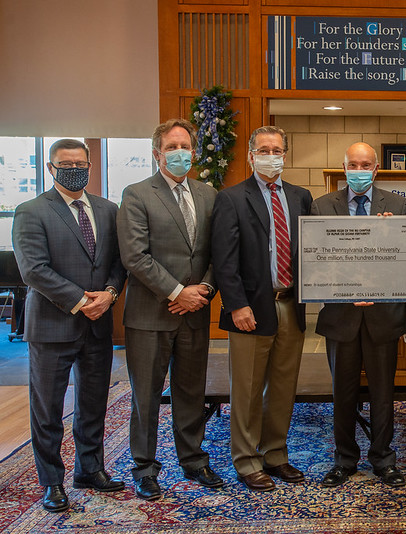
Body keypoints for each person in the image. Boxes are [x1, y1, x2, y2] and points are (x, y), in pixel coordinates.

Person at [12, 139, 127, 513]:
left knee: (93, 403)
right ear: (50, 168)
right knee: (47, 408)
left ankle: (90, 469)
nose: (74, 168)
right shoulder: (31, 211)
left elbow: (118, 263)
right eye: (65, 163)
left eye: (80, 162)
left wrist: (109, 293)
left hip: (98, 324)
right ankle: (51, 482)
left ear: (90, 165)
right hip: (52, 325)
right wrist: (82, 301)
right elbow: (34, 270)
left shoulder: (109, 210)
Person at [117, 118, 222, 500]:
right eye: (172, 146)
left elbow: (217, 251)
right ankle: (145, 467)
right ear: (157, 153)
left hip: (195, 310)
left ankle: (193, 459)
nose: (180, 152)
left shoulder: (209, 194)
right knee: (145, 395)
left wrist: (204, 289)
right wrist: (177, 291)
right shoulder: (137, 194)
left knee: (191, 391)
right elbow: (135, 256)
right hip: (150, 315)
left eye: (185, 146)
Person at [211, 125, 312, 492]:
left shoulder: (301, 197)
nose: (272, 155)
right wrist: (236, 305)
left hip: (290, 305)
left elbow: (316, 248)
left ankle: (275, 454)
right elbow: (224, 260)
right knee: (248, 389)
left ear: (286, 154)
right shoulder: (232, 198)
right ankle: (246, 459)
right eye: (264, 149)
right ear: (251, 156)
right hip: (250, 308)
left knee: (283, 388)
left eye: (278, 149)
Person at [311, 142, 406, 488]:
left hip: (383, 313)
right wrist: (347, 289)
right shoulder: (322, 206)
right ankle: (344, 460)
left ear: (376, 168)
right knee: (343, 392)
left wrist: (391, 234)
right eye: (353, 163)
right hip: (341, 315)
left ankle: (383, 459)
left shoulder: (398, 205)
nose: (359, 169)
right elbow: (316, 259)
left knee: (384, 392)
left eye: (365, 164)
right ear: (343, 166)